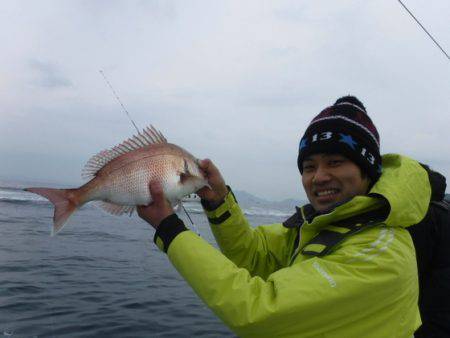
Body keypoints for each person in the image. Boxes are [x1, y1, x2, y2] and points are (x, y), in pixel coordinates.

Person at [137, 96, 432, 338]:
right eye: (308, 166)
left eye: (335, 162)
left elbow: (260, 311)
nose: (319, 177)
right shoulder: (316, 227)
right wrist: (219, 202)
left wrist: (170, 228)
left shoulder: (382, 253)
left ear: (367, 172)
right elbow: (253, 255)